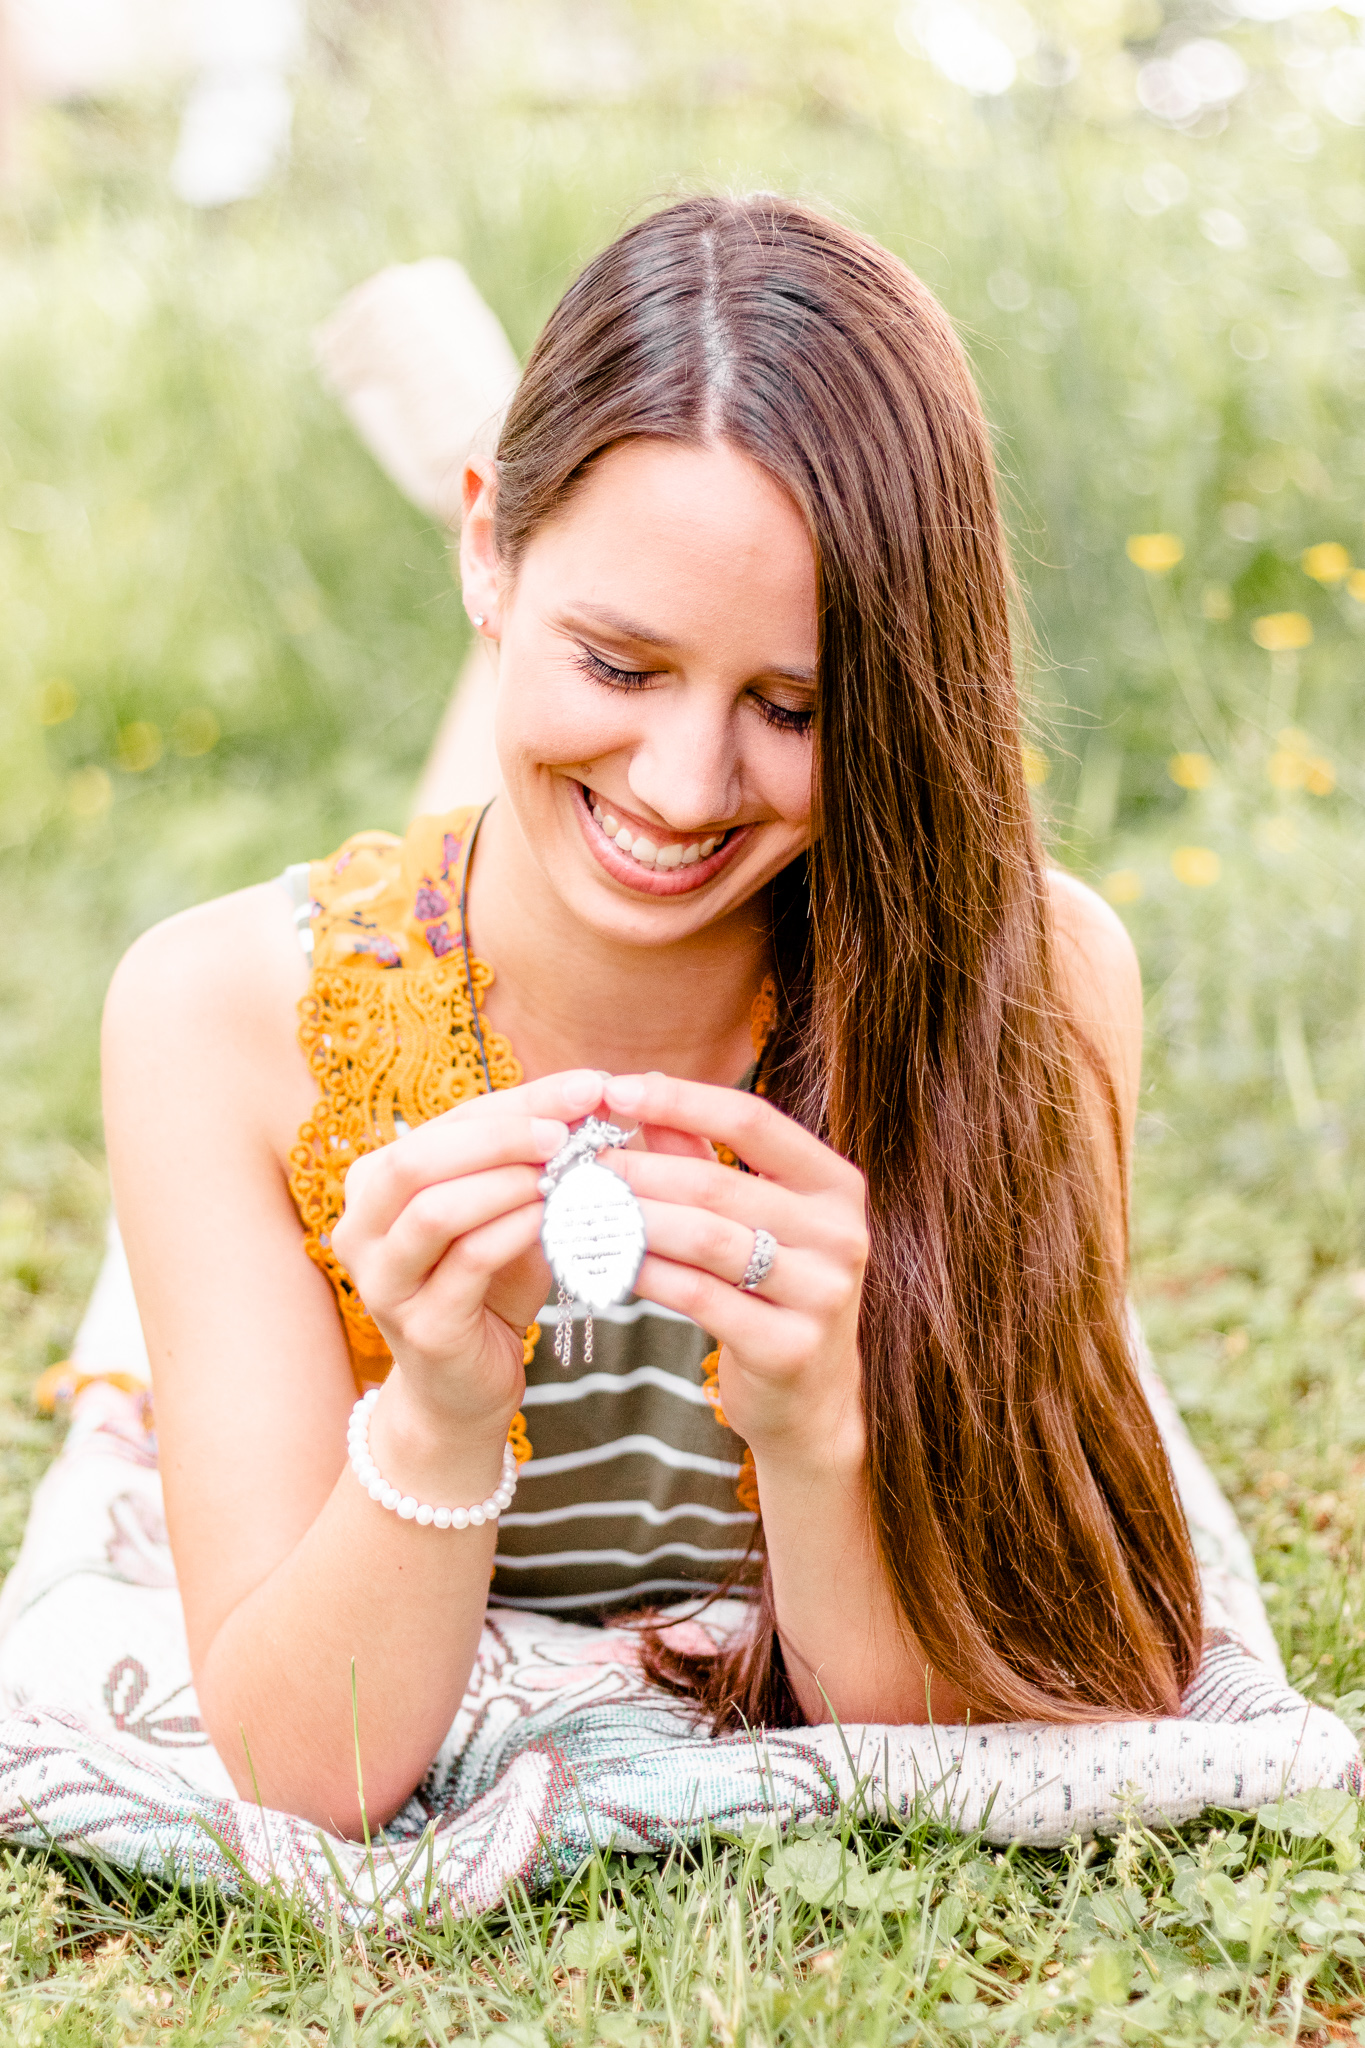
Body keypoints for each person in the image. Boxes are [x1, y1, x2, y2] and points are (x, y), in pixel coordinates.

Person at [100, 194, 1202, 1840]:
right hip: (310, 1100)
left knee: (589, 824)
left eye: (795, 704)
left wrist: (820, 1425)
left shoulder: (1032, 987)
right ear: (490, 547)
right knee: (133, 1346)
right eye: (619, 665)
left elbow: (926, 1744)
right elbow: (302, 1772)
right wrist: (439, 1410)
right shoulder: (212, 1012)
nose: (687, 788)